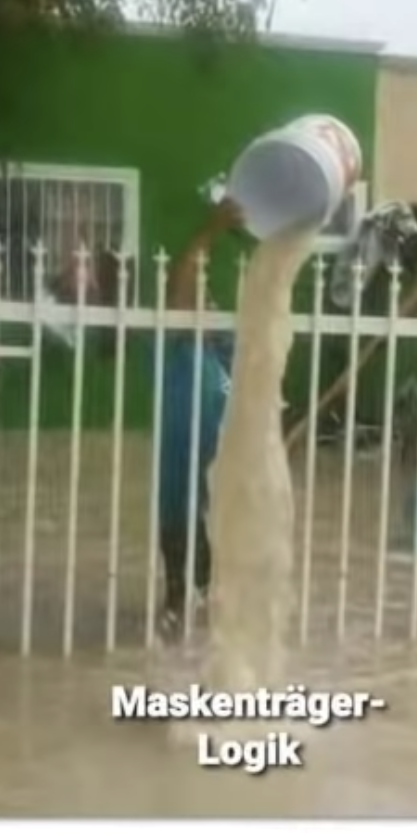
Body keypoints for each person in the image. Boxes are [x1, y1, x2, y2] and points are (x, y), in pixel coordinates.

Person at [156, 198, 242, 642]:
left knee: (214, 531)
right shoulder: (180, 345)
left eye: (209, 299)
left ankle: (207, 603)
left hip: (220, 457)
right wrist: (214, 227)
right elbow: (184, 281)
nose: (205, 302)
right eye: (199, 298)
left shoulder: (223, 351)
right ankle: (177, 601)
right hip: (182, 453)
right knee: (179, 520)